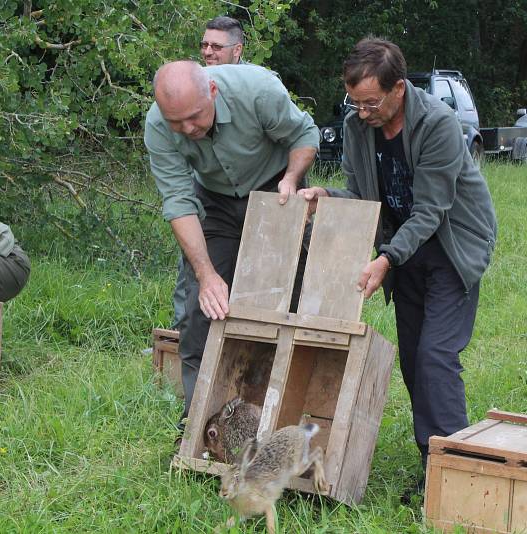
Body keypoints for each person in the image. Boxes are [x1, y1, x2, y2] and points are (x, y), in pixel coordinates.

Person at [298, 38, 497, 496]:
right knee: (412, 359)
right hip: (403, 249)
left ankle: (455, 475)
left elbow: (430, 212)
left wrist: (385, 259)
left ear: (399, 89)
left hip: (451, 245)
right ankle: (433, 463)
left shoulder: (439, 126)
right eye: (356, 102)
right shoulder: (357, 126)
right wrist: (328, 198)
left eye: (371, 102)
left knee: (435, 356)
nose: (362, 112)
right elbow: (367, 197)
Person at [144, 61, 319, 422]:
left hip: (275, 191)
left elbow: (304, 135)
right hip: (215, 202)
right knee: (200, 311)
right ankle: (200, 425)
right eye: (177, 122)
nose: (187, 129)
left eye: (194, 117)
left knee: (283, 303)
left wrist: (292, 177)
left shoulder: (257, 92)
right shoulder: (158, 125)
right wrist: (206, 275)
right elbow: (179, 203)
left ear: (212, 91)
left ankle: (282, 420)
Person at [170, 16, 252, 332]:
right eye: (204, 44)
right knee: (195, 260)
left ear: (237, 50)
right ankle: (183, 331)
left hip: (255, 192)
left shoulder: (253, 85)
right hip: (208, 190)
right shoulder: (193, 83)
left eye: (216, 46)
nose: (208, 52)